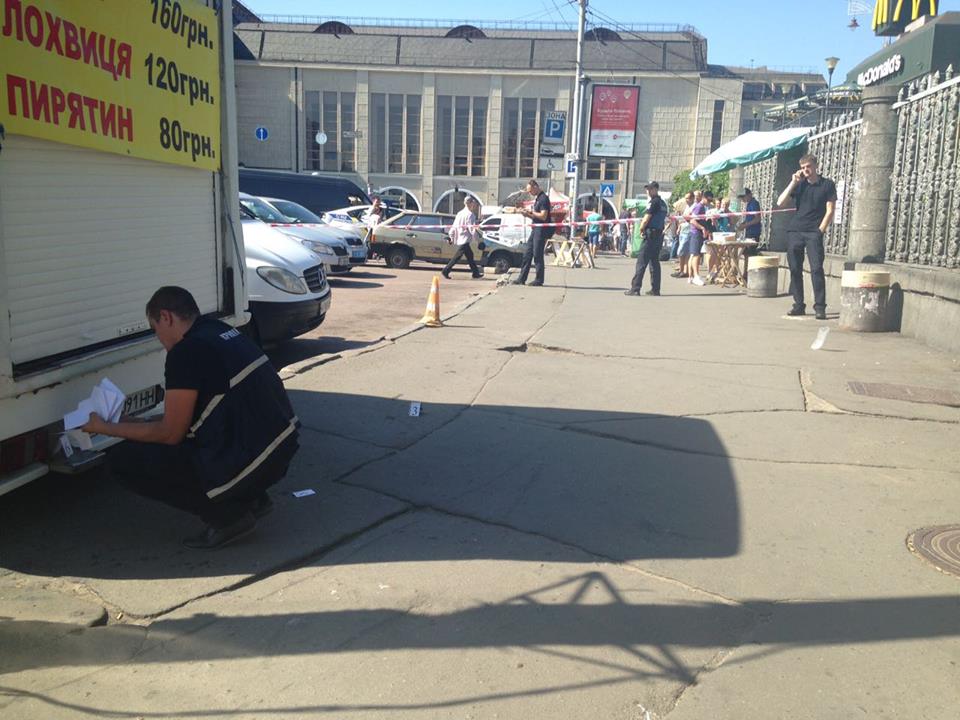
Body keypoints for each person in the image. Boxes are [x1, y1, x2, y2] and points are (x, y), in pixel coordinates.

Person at [81, 287, 300, 549]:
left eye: (155, 329)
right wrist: (132, 422)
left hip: (253, 459)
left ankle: (229, 517)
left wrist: (106, 428)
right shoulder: (218, 331)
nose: (158, 338)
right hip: (280, 449)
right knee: (186, 440)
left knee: (123, 460)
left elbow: (171, 433)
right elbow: (196, 413)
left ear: (166, 317)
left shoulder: (185, 353)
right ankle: (252, 498)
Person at [776, 154, 836, 319]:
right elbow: (780, 202)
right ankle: (799, 305)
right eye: (802, 167)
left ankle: (820, 306)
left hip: (813, 232)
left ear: (816, 165)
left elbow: (830, 210)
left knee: (816, 269)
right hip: (795, 230)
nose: (805, 170)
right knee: (795, 269)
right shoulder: (800, 185)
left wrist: (820, 231)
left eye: (808, 166)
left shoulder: (827, 185)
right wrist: (793, 182)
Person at [624, 181, 669, 297]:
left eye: (651, 189)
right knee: (654, 262)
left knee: (641, 261)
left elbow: (647, 217)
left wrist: (641, 228)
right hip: (658, 234)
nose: (648, 191)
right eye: (647, 189)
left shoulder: (654, 202)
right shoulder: (663, 204)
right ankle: (655, 289)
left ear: (656, 189)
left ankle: (635, 288)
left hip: (650, 234)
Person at [512, 179, 552, 286]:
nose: (530, 193)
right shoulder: (538, 198)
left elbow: (543, 216)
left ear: (535, 187)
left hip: (541, 230)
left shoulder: (543, 198)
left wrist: (530, 211)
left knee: (537, 254)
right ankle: (521, 278)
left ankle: (539, 279)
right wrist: (527, 214)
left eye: (530, 191)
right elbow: (536, 216)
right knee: (527, 254)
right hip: (535, 228)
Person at [441, 196, 483, 279]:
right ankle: (446, 270)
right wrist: (478, 241)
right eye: (473, 203)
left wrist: (451, 236)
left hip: (460, 238)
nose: (474, 205)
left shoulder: (460, 213)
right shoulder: (470, 215)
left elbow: (454, 226)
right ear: (470, 203)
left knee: (470, 255)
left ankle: (475, 273)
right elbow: (472, 229)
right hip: (465, 239)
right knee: (457, 257)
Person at [685, 190, 713, 285]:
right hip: (696, 233)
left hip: (697, 233)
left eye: (710, 201)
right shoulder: (699, 207)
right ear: (704, 198)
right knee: (696, 255)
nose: (709, 202)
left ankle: (691, 276)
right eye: (708, 200)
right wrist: (702, 228)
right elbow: (692, 220)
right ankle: (696, 275)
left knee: (694, 255)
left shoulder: (702, 207)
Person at [671, 191, 695, 278]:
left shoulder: (693, 207)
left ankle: (685, 271)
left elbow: (690, 219)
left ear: (692, 198)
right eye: (686, 198)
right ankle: (682, 270)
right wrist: (679, 228)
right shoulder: (687, 207)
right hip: (683, 230)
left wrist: (686, 218)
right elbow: (682, 220)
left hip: (688, 231)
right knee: (683, 252)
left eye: (688, 198)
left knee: (682, 251)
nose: (686, 200)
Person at [736, 187, 763, 254]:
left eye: (743, 197)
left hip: (754, 232)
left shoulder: (754, 203)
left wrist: (745, 225)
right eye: (741, 197)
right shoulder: (749, 204)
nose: (742, 199)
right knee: (745, 252)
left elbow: (757, 219)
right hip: (749, 231)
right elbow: (750, 218)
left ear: (749, 195)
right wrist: (743, 224)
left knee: (750, 252)